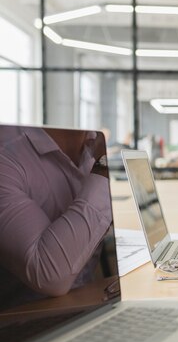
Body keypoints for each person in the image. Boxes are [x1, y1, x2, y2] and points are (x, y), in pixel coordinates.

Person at [0, 126, 113, 310]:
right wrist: (105, 166)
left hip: (87, 307)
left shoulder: (93, 145)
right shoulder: (6, 154)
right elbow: (48, 276)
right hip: (25, 327)